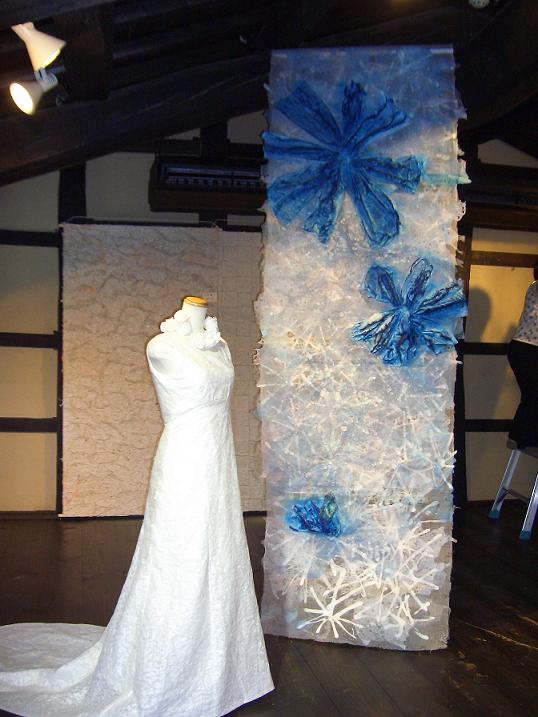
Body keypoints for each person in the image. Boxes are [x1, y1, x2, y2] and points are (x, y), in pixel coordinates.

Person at [0, 295, 274, 716]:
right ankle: (171, 661)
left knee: (218, 553)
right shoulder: (162, 345)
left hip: (218, 462)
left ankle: (220, 660)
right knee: (179, 552)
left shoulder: (218, 343)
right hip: (184, 462)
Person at [507, 262, 538, 450]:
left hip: (524, 348)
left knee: (531, 396)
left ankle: (516, 436)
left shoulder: (533, 286)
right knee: (533, 396)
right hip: (529, 348)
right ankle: (529, 442)